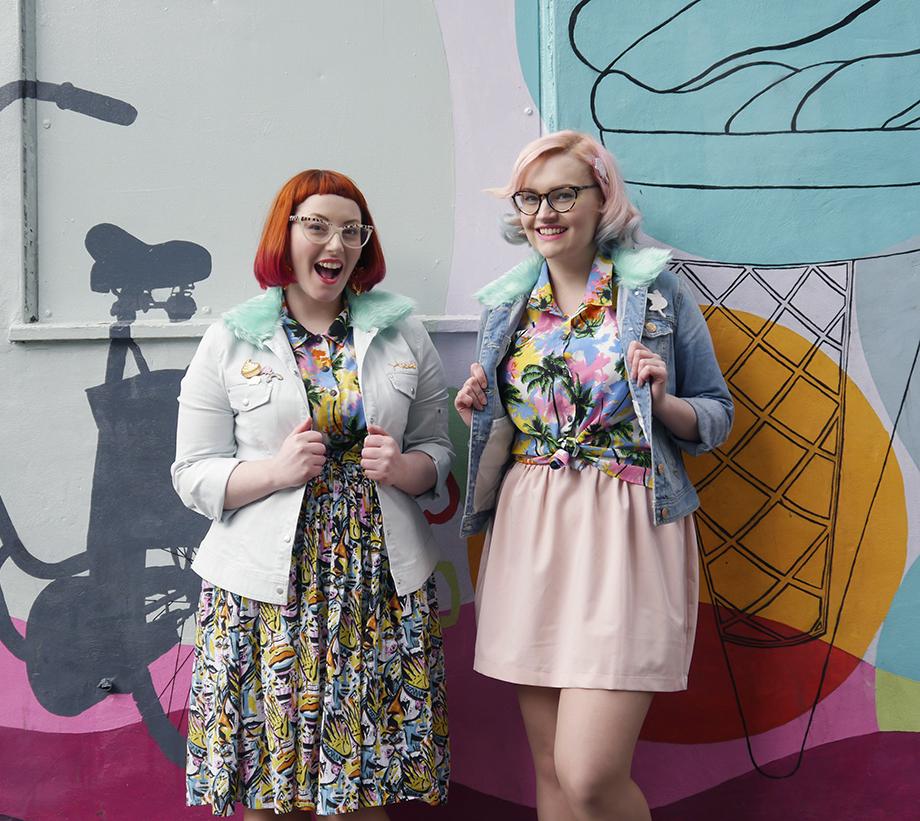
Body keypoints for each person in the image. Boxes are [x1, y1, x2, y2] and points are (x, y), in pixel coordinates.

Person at [454, 131, 733, 821]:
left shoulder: (653, 293)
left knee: (589, 776)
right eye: (529, 198)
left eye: (562, 195)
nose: (543, 213)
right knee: (551, 773)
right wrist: (478, 407)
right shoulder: (506, 306)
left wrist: (663, 400)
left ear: (601, 199)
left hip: (627, 529)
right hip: (531, 527)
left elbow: (716, 415)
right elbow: (506, 424)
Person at [172, 169, 452, 820]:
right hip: (265, 593)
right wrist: (275, 471)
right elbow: (192, 473)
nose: (336, 243)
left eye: (352, 231)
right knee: (269, 791)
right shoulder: (231, 337)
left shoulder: (403, 332)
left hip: (374, 586)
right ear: (286, 234)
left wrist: (404, 468)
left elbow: (438, 451)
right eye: (318, 226)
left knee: (362, 791)